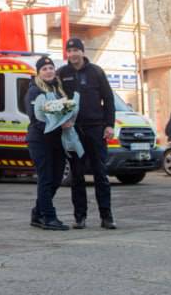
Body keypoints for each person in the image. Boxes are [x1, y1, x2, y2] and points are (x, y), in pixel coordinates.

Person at [57, 37, 118, 229]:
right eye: (70, 50)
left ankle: (106, 217)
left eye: (77, 50)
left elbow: (108, 100)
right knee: (77, 174)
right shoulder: (62, 73)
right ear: (67, 53)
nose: (73, 53)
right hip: (73, 131)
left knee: (100, 173)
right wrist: (62, 121)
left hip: (95, 129)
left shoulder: (96, 72)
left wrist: (109, 125)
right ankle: (80, 217)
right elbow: (57, 101)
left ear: (83, 52)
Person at [23, 56, 70, 231]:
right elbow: (36, 119)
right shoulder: (34, 91)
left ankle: (37, 213)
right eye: (44, 69)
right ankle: (49, 217)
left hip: (56, 141)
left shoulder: (58, 90)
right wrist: (59, 124)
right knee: (46, 178)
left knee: (56, 178)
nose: (49, 71)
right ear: (38, 73)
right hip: (40, 140)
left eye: (51, 68)